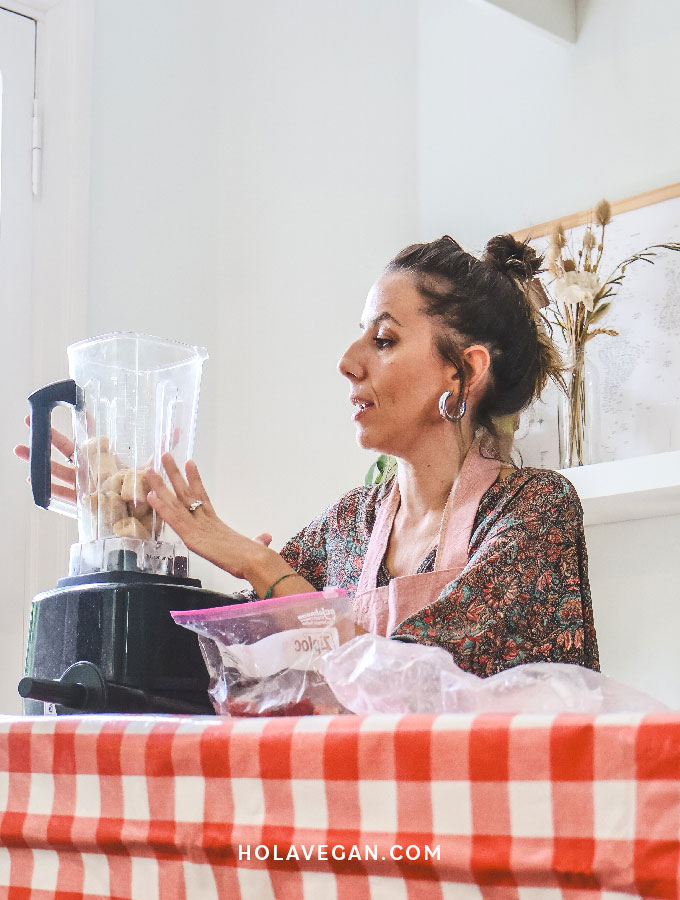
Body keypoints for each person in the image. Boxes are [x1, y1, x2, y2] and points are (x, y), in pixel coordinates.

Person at [16, 234, 599, 678]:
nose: (347, 361)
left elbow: (414, 679)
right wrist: (126, 532)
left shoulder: (532, 510)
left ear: (464, 370)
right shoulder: (348, 526)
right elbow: (216, 663)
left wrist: (258, 563)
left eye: (384, 339)